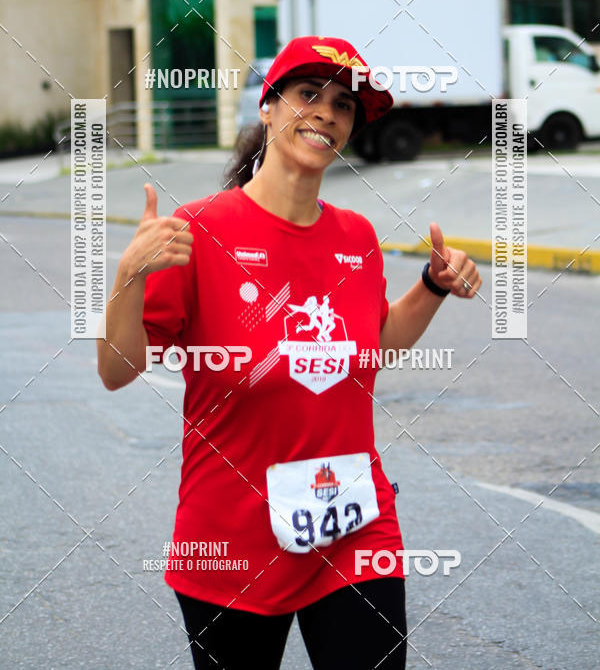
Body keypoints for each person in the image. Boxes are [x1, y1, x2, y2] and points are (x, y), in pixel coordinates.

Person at [97, 35, 482, 669]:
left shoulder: (356, 236)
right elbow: (117, 370)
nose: (327, 113)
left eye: (344, 104)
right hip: (232, 538)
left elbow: (369, 347)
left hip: (354, 525)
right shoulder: (198, 231)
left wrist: (434, 286)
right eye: (309, 95)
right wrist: (128, 281)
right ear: (269, 109)